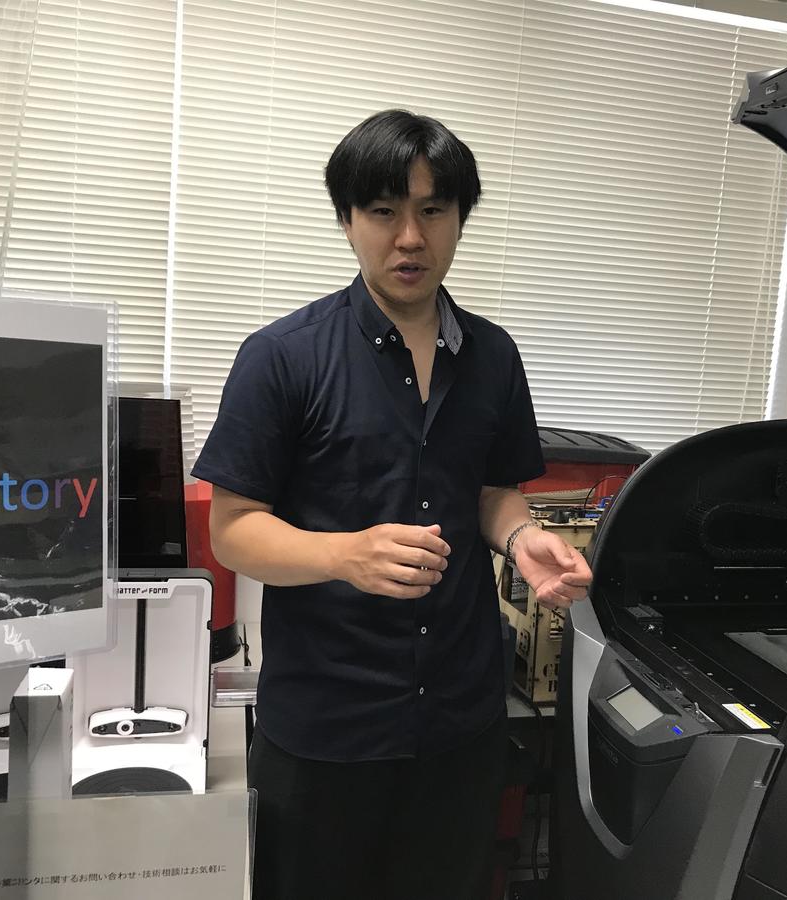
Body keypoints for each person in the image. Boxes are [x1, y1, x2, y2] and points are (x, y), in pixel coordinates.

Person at [193, 109, 593, 900]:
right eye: (384, 211)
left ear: (458, 220)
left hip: (461, 726)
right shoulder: (282, 358)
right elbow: (232, 530)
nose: (410, 237)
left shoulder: (493, 356)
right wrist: (345, 554)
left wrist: (519, 537)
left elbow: (490, 491)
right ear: (348, 221)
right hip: (326, 733)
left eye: (433, 211)